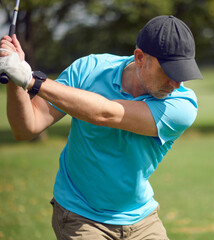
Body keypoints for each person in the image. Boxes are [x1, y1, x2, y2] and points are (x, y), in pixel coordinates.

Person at [0, 15, 202, 240]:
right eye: (169, 73)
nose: (175, 84)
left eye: (182, 74)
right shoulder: (89, 70)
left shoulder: (182, 105)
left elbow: (106, 113)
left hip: (142, 219)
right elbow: (27, 127)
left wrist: (31, 80)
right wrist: (15, 76)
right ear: (140, 57)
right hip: (79, 216)